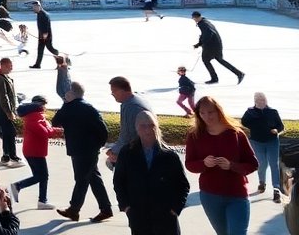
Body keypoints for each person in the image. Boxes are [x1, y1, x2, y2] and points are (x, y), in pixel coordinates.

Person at [185, 95, 258, 235]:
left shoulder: (236, 133)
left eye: (210, 112)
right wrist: (204, 163)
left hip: (237, 194)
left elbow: (253, 164)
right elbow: (189, 164)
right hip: (210, 195)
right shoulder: (194, 135)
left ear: (218, 111)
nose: (207, 116)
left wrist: (232, 166)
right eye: (202, 113)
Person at [112, 112, 189, 235]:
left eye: (151, 125)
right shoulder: (127, 153)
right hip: (138, 216)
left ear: (157, 126)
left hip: (166, 217)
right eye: (143, 126)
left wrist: (175, 208)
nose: (148, 130)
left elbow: (182, 185)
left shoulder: (169, 155)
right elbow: (119, 181)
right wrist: (126, 207)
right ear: (136, 127)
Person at [51, 81, 115, 223]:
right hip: (89, 150)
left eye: (67, 92)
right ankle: (106, 209)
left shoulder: (69, 107)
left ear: (71, 94)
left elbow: (55, 121)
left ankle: (74, 210)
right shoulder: (90, 108)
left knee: (81, 180)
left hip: (79, 151)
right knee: (93, 178)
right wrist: (97, 145)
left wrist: (65, 103)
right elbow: (103, 130)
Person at [10, 95, 60, 210]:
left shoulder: (35, 116)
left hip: (32, 151)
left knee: (40, 176)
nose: (45, 108)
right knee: (42, 176)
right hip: (35, 151)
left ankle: (42, 200)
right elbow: (45, 133)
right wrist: (56, 130)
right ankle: (19, 187)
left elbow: (47, 130)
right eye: (44, 106)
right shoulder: (34, 118)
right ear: (40, 106)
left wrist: (54, 129)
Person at [241, 91, 285, 204]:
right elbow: (243, 122)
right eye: (259, 100)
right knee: (261, 164)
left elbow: (281, 126)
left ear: (266, 101)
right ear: (255, 101)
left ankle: (276, 189)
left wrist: (277, 130)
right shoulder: (250, 112)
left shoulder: (272, 112)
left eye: (263, 100)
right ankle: (262, 182)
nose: (261, 102)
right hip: (257, 142)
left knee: (273, 164)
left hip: (272, 141)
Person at [106, 76, 153, 169]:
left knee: (110, 163)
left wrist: (114, 151)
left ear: (121, 91)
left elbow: (128, 136)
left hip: (139, 153)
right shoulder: (136, 99)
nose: (112, 94)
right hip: (144, 149)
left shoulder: (130, 107)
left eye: (113, 91)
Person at [190, 11, 244, 85]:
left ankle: (215, 78)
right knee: (219, 59)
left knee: (206, 60)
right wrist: (200, 43)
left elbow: (209, 34)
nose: (194, 20)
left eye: (194, 18)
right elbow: (204, 34)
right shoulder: (204, 21)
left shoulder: (203, 24)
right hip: (216, 44)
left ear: (198, 17)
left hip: (212, 46)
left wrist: (201, 43)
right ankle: (239, 73)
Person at [0, 58, 20, 167]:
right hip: (2, 110)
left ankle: (8, 155)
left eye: (11, 66)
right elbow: (3, 97)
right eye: (9, 66)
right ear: (2, 66)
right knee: (9, 132)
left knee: (9, 132)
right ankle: (10, 155)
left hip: (7, 109)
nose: (11, 68)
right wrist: (8, 112)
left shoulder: (7, 78)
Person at [29, 1, 60, 68]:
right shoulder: (39, 14)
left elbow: (46, 25)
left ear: (39, 6)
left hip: (46, 36)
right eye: (33, 7)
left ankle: (60, 59)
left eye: (35, 7)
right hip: (41, 36)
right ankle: (37, 64)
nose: (33, 8)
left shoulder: (44, 14)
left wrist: (45, 34)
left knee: (51, 49)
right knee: (40, 50)